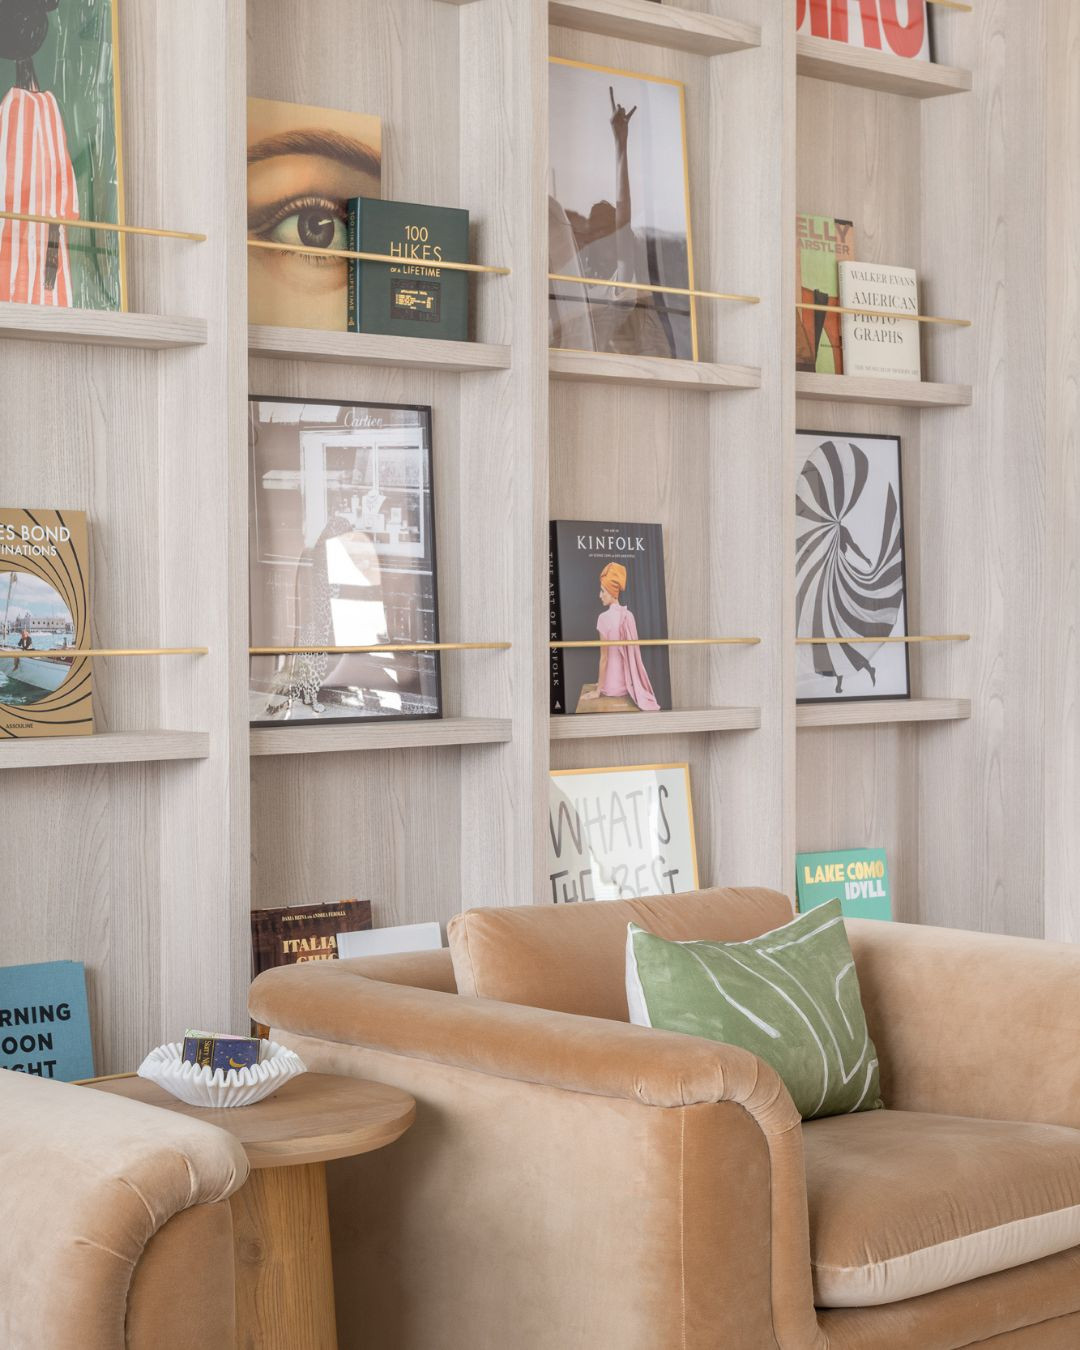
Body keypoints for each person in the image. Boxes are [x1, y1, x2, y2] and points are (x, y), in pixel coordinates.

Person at [549, 87, 682, 358]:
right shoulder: (575, 277)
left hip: (586, 364)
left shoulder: (618, 284)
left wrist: (621, 145)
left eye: (608, 235)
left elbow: (623, 216)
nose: (603, 241)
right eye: (596, 232)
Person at [0, 0, 79, 305]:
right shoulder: (46, 107)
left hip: (29, 236)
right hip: (45, 237)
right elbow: (64, 194)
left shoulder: (17, 108)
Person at [578, 562, 660, 712]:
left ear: (611, 591)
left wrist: (598, 690)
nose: (600, 595)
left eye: (603, 591)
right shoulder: (629, 616)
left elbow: (604, 658)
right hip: (626, 686)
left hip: (610, 688)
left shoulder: (603, 618)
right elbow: (635, 657)